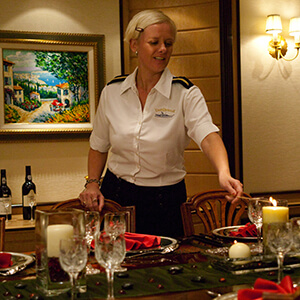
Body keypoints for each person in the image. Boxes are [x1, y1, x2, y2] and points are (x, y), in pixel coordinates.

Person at [79, 9, 243, 237]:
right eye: (154, 42)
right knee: (114, 265)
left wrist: (223, 172)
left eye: (168, 43)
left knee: (167, 269)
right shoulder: (112, 91)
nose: (163, 49)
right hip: (116, 197)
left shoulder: (185, 92)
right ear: (134, 45)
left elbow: (208, 136)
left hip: (164, 201)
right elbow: (98, 145)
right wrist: (92, 184)